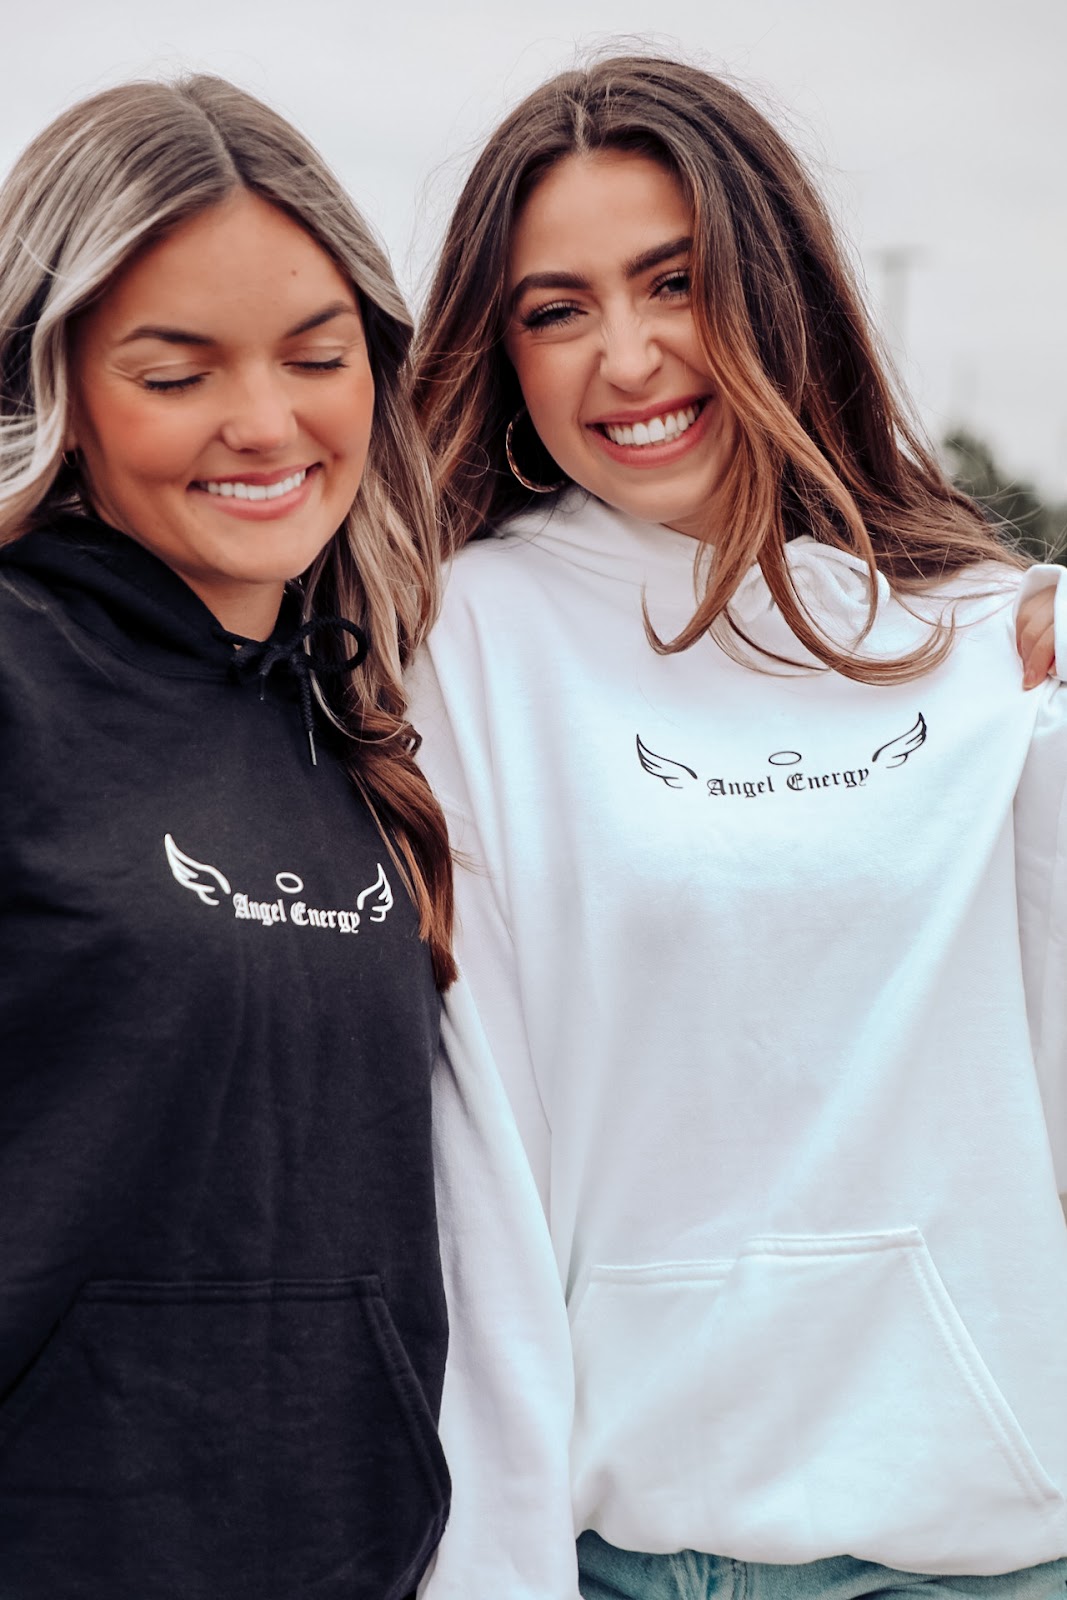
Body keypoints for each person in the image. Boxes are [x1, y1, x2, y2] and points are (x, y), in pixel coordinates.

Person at [408, 55, 1067, 1600]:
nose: (626, 356)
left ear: (772, 287)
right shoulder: (466, 641)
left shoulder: (987, 639)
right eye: (554, 309)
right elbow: (472, 1161)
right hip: (630, 1552)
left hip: (988, 1547)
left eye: (675, 282)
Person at [0, 76, 455, 1600]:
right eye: (175, 372)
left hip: (351, 1562)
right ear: (51, 378)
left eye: (315, 357)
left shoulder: (375, 709)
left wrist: (977, 633)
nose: (266, 424)